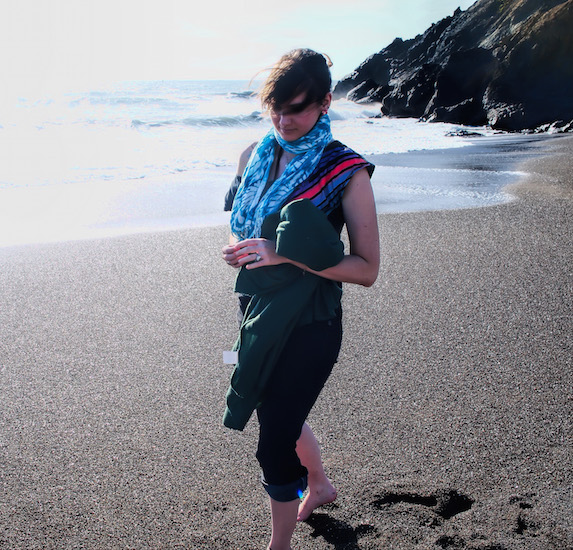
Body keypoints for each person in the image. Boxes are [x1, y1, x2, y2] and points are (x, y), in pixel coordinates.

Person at [221, 49, 379, 550]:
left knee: (274, 438)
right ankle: (321, 485)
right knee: (275, 408)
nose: (285, 121)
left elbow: (367, 269)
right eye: (276, 108)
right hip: (256, 307)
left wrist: (283, 255)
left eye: (298, 109)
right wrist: (242, 249)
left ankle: (280, 545)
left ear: (326, 102)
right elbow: (240, 221)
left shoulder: (346, 170)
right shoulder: (253, 154)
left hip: (312, 320)